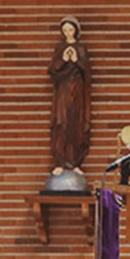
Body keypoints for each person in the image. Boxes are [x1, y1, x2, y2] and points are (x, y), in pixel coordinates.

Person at [50, 17, 93, 176]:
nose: (68, 33)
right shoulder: (60, 49)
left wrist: (77, 61)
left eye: (70, 29)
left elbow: (88, 73)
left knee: (76, 125)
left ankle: (75, 161)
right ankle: (60, 161)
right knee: (61, 124)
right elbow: (53, 72)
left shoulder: (81, 49)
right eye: (65, 30)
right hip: (63, 92)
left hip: (78, 93)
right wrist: (63, 60)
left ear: (76, 30)